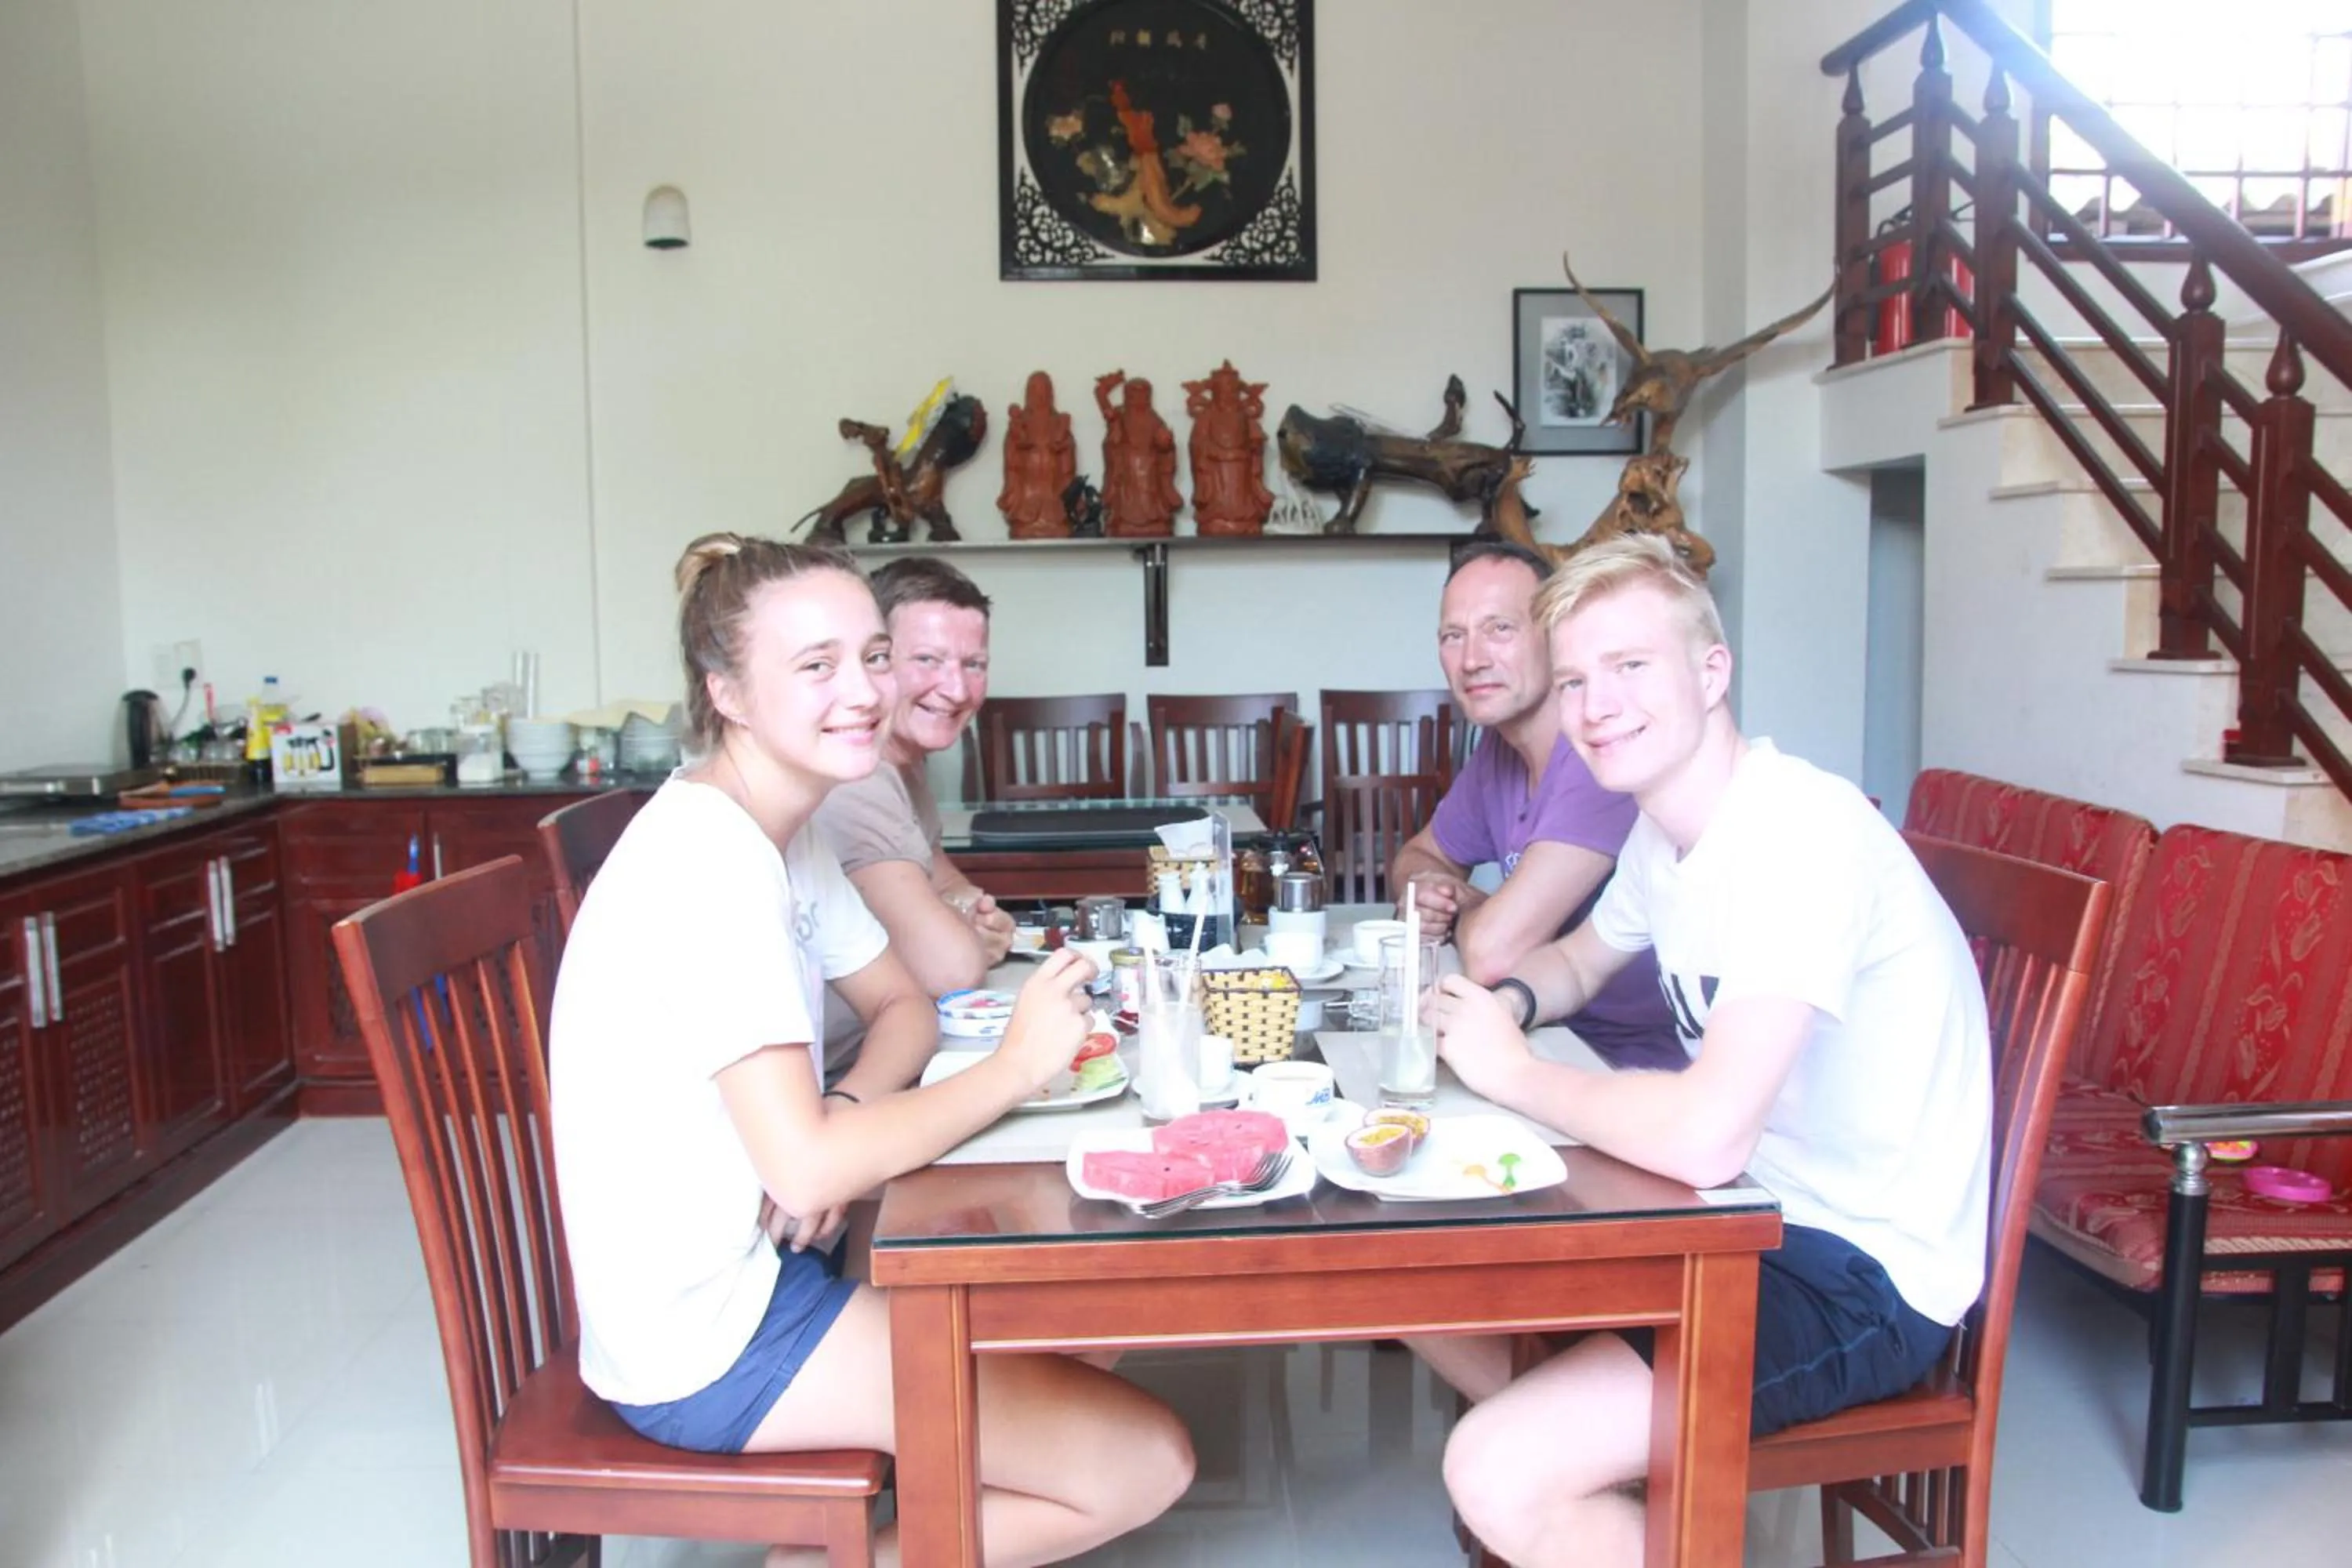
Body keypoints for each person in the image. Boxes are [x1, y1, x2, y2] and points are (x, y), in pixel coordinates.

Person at [550, 534, 1192, 1567]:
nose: (866, 692)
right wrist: (1016, 1068)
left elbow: (906, 1007)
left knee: (1072, 1312)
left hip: (769, 1262)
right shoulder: (710, 866)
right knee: (1144, 1460)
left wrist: (846, 1115)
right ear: (728, 692)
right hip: (709, 1335)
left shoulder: (782, 827)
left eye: (874, 655)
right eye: (817, 667)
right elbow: (802, 1169)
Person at [1417, 535, 1991, 1568]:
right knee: (1437, 1281)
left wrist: (1513, 1072)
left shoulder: (1797, 837)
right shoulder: (1667, 830)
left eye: (1632, 668)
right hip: (1753, 1220)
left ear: (1712, 672)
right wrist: (1493, 1005)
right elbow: (1582, 967)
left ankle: (1576, 1490)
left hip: (1864, 1272)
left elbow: (1709, 1134)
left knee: (1495, 1468)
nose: (1597, 707)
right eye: (1580, 678)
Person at [1387, 540, 1682, 1071]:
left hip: (1636, 1062)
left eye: (1500, 628)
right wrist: (1428, 890)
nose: (1473, 659)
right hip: (1551, 1031)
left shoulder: (1604, 755)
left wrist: (1465, 907)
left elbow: (1492, 954)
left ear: (1555, 636)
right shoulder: (1500, 750)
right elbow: (1418, 856)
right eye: (1454, 636)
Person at [813, 556, 1016, 1083]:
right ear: (876, 661)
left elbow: (947, 879)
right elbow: (950, 969)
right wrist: (964, 934)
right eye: (928, 659)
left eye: (975, 664)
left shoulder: (904, 767)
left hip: (878, 1055)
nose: (956, 689)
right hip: (833, 1080)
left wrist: (963, 914)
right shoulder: (858, 777)